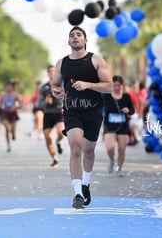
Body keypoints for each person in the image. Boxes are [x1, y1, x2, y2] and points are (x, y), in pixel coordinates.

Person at [51, 26, 113, 209]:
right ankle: (77, 193)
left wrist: (87, 85)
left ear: (85, 40)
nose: (75, 37)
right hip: (72, 112)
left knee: (89, 151)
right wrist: (57, 92)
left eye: (79, 35)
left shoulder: (95, 60)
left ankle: (85, 184)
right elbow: (55, 85)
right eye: (72, 35)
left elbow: (109, 86)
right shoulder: (62, 63)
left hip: (93, 112)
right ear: (68, 42)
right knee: (76, 148)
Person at [102, 75, 134, 177]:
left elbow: (132, 110)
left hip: (123, 125)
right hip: (109, 125)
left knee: (121, 149)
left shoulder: (126, 97)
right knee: (110, 147)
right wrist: (102, 113)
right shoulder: (106, 96)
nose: (116, 88)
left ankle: (119, 168)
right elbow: (100, 108)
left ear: (122, 86)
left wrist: (128, 110)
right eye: (114, 85)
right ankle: (111, 160)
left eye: (118, 85)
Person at [38, 65, 65, 167]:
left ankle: (58, 141)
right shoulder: (43, 88)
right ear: (48, 73)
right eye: (50, 71)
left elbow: (67, 97)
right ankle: (54, 158)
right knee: (47, 137)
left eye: (54, 71)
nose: (52, 73)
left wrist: (65, 107)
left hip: (59, 112)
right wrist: (45, 102)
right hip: (48, 113)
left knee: (61, 132)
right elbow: (38, 103)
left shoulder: (61, 85)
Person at [0, 81, 21, 152]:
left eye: (10, 87)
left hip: (13, 113)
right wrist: (1, 107)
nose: (8, 88)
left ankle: (13, 133)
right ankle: (8, 145)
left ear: (12, 87)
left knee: (12, 128)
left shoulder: (15, 95)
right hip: (5, 113)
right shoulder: (3, 95)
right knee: (6, 128)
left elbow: (20, 104)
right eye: (7, 86)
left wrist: (15, 107)